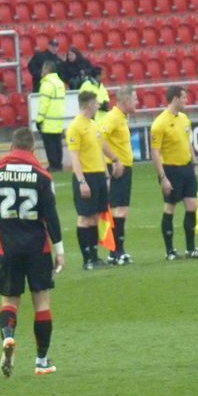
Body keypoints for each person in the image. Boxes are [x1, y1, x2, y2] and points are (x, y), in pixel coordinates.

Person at [0, 127, 65, 377]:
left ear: (11, 148)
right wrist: (60, 250)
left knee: (9, 301)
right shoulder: (43, 177)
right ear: (33, 148)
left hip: (7, 247)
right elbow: (52, 217)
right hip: (38, 247)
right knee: (42, 302)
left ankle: (9, 337)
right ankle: (41, 361)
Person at [66, 90, 122, 269]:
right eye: (96, 103)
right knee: (84, 218)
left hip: (98, 175)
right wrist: (81, 181)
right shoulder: (75, 126)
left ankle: (95, 256)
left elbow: (98, 151)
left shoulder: (93, 124)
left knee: (96, 217)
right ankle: (87, 259)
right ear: (89, 104)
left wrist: (105, 174)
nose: (98, 105)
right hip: (86, 176)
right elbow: (74, 157)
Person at [150, 85, 198, 261]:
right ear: (175, 99)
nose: (186, 100)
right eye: (184, 97)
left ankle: (191, 248)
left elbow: (187, 142)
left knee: (192, 205)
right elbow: (155, 152)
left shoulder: (184, 119)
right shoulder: (159, 123)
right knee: (170, 207)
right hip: (170, 170)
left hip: (187, 168)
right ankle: (170, 251)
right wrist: (163, 177)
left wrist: (195, 162)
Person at [100, 85, 137, 266]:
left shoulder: (121, 117)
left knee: (122, 209)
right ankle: (116, 252)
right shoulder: (114, 117)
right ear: (126, 101)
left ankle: (116, 251)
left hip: (124, 167)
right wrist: (115, 160)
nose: (137, 102)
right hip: (118, 168)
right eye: (135, 99)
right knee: (119, 210)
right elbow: (101, 138)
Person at [35, 60, 66, 171]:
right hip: (58, 120)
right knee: (57, 143)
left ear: (47, 70)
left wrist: (39, 120)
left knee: (50, 145)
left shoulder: (47, 84)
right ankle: (59, 164)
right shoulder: (59, 83)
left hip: (48, 120)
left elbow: (44, 104)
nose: (42, 71)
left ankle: (53, 165)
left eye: (43, 68)